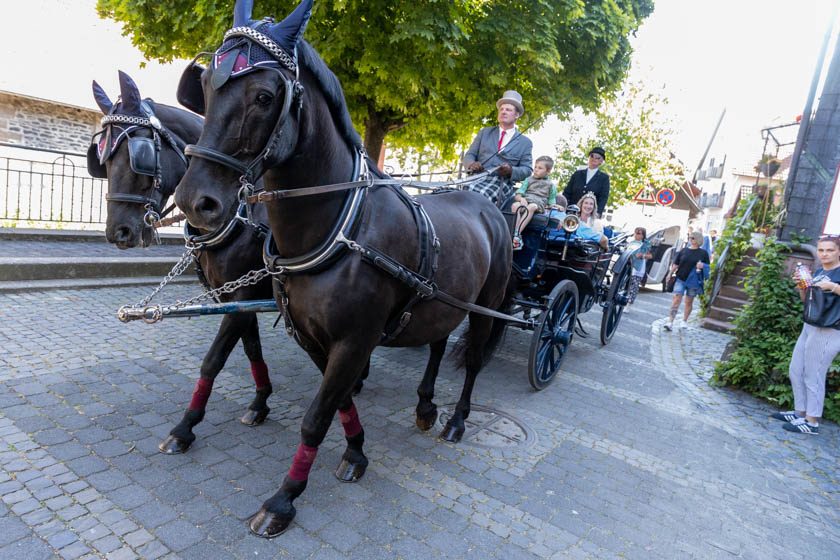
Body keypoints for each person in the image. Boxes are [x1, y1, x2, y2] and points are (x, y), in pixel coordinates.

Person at [772, 236, 840, 435]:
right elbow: (808, 300)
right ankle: (799, 413)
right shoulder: (819, 272)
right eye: (821, 250)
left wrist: (833, 287)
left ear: (838, 251)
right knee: (796, 370)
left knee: (814, 374)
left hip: (829, 329)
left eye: (829, 250)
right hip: (810, 325)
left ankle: (812, 422)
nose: (824, 254)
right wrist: (803, 287)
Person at [462, 90, 533, 207]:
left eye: (508, 110)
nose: (503, 112)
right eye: (501, 109)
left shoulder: (525, 143)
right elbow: (470, 155)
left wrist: (511, 170)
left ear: (516, 115)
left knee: (478, 196)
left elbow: (527, 170)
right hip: (475, 178)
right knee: (452, 195)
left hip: (501, 183)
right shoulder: (484, 132)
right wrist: (471, 164)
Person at [663, 230, 710, 331]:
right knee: (676, 300)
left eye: (693, 238)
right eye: (690, 237)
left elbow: (708, 267)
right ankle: (670, 322)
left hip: (693, 281)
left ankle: (684, 321)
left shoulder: (703, 253)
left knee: (689, 301)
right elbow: (676, 264)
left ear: (698, 239)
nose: (691, 240)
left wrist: (703, 266)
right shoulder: (684, 250)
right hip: (680, 278)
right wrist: (669, 274)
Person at [511, 156, 558, 250]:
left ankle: (517, 234)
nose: (536, 170)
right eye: (535, 167)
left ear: (548, 171)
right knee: (515, 205)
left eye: (540, 168)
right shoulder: (528, 180)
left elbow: (551, 202)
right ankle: (513, 233)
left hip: (538, 203)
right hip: (526, 200)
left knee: (531, 207)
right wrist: (521, 199)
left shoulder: (551, 185)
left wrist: (557, 206)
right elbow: (518, 195)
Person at [562, 147, 610, 217]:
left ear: (601, 161)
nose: (594, 159)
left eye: (597, 157)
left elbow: (603, 198)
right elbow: (567, 192)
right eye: (592, 156)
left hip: (589, 215)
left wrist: (597, 214)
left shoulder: (604, 178)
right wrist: (562, 206)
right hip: (571, 211)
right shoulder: (577, 174)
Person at [626, 227, 652, 310]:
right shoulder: (630, 242)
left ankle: (629, 304)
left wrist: (642, 256)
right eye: (635, 233)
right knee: (626, 285)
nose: (636, 235)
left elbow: (650, 256)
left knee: (634, 286)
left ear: (643, 235)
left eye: (639, 233)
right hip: (629, 265)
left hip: (638, 268)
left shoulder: (645, 245)